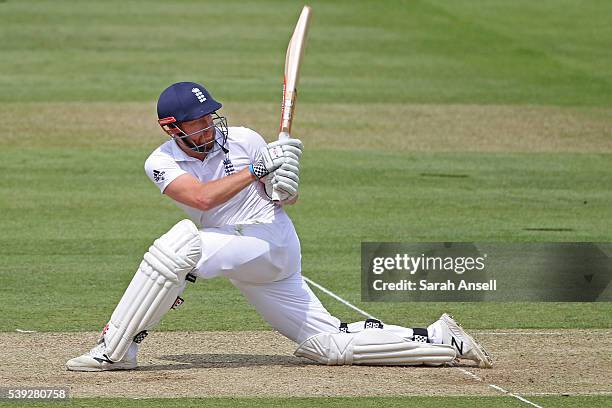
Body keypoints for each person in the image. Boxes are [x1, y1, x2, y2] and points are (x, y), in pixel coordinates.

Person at [66, 82, 492, 371]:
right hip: (240, 255)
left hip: (270, 243)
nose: (209, 125)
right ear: (172, 128)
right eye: (198, 121)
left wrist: (284, 183)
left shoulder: (247, 138)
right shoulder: (160, 161)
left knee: (180, 246)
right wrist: (257, 170)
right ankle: (439, 339)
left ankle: (115, 350)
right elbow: (200, 199)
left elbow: (282, 197)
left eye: (211, 116)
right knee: (328, 345)